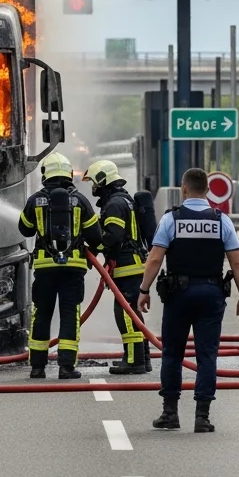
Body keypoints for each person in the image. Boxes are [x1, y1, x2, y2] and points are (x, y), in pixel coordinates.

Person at [138, 167, 239, 432]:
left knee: (172, 353)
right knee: (207, 355)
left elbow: (155, 259)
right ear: (208, 190)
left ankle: (170, 414)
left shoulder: (171, 219)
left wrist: (144, 290)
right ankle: (202, 417)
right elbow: (237, 263)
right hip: (211, 294)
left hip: (178, 295)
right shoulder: (221, 220)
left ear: (184, 189)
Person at [18, 152, 103, 380]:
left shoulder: (35, 200)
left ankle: (37, 367)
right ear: (68, 174)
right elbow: (96, 236)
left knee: (41, 314)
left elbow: (25, 229)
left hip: (44, 268)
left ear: (45, 174)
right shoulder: (80, 201)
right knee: (69, 314)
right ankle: (66, 367)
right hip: (73, 268)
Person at [83, 159, 151, 375]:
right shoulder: (124, 200)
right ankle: (143, 358)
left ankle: (134, 361)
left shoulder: (114, 204)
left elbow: (112, 236)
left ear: (103, 180)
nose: (93, 187)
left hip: (127, 266)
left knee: (126, 314)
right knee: (133, 313)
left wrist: (92, 247)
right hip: (132, 265)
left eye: (94, 182)